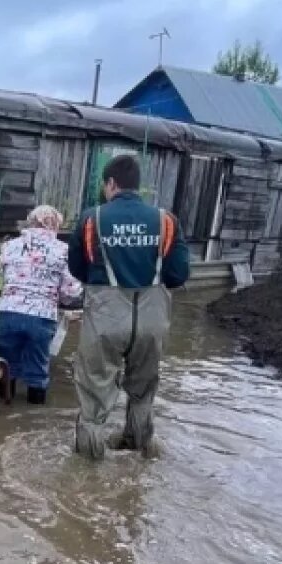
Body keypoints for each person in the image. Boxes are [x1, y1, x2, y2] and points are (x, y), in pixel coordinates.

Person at [68, 154, 189, 459]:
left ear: (111, 183)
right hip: (152, 318)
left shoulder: (91, 218)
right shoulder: (166, 220)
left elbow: (76, 269)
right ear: (138, 185)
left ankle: (88, 472)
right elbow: (178, 275)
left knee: (94, 393)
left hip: (105, 317)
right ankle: (138, 452)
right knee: (143, 389)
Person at [0, 205, 83, 405]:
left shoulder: (10, 246)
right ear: (55, 225)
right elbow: (71, 291)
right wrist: (62, 300)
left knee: (6, 366)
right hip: (41, 317)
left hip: (9, 312)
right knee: (37, 370)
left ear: (31, 222)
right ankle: (33, 412)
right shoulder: (63, 250)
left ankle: (2, 409)